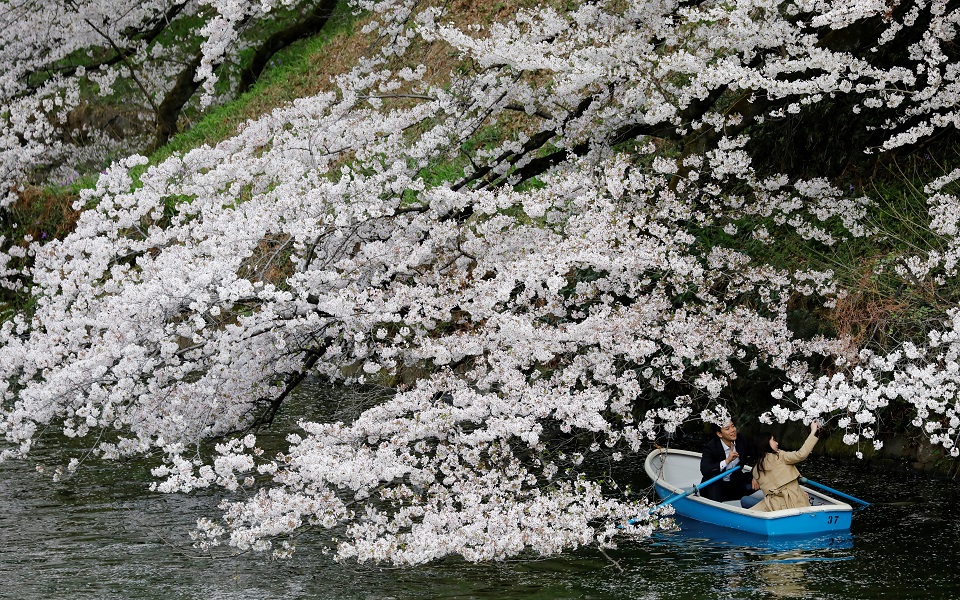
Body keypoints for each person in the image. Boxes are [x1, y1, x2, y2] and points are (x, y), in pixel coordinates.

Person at [750, 421, 821, 512]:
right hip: (794, 502)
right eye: (773, 440)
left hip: (773, 506)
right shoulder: (780, 456)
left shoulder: (756, 469)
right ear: (765, 443)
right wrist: (813, 432)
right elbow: (801, 454)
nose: (777, 443)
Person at [699, 420, 759, 502]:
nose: (733, 430)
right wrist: (727, 461)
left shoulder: (742, 440)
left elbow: (759, 455)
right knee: (713, 482)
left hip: (735, 482)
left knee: (760, 481)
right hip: (716, 485)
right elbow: (705, 470)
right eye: (727, 428)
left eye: (733, 426)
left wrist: (756, 475)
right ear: (719, 434)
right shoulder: (711, 447)